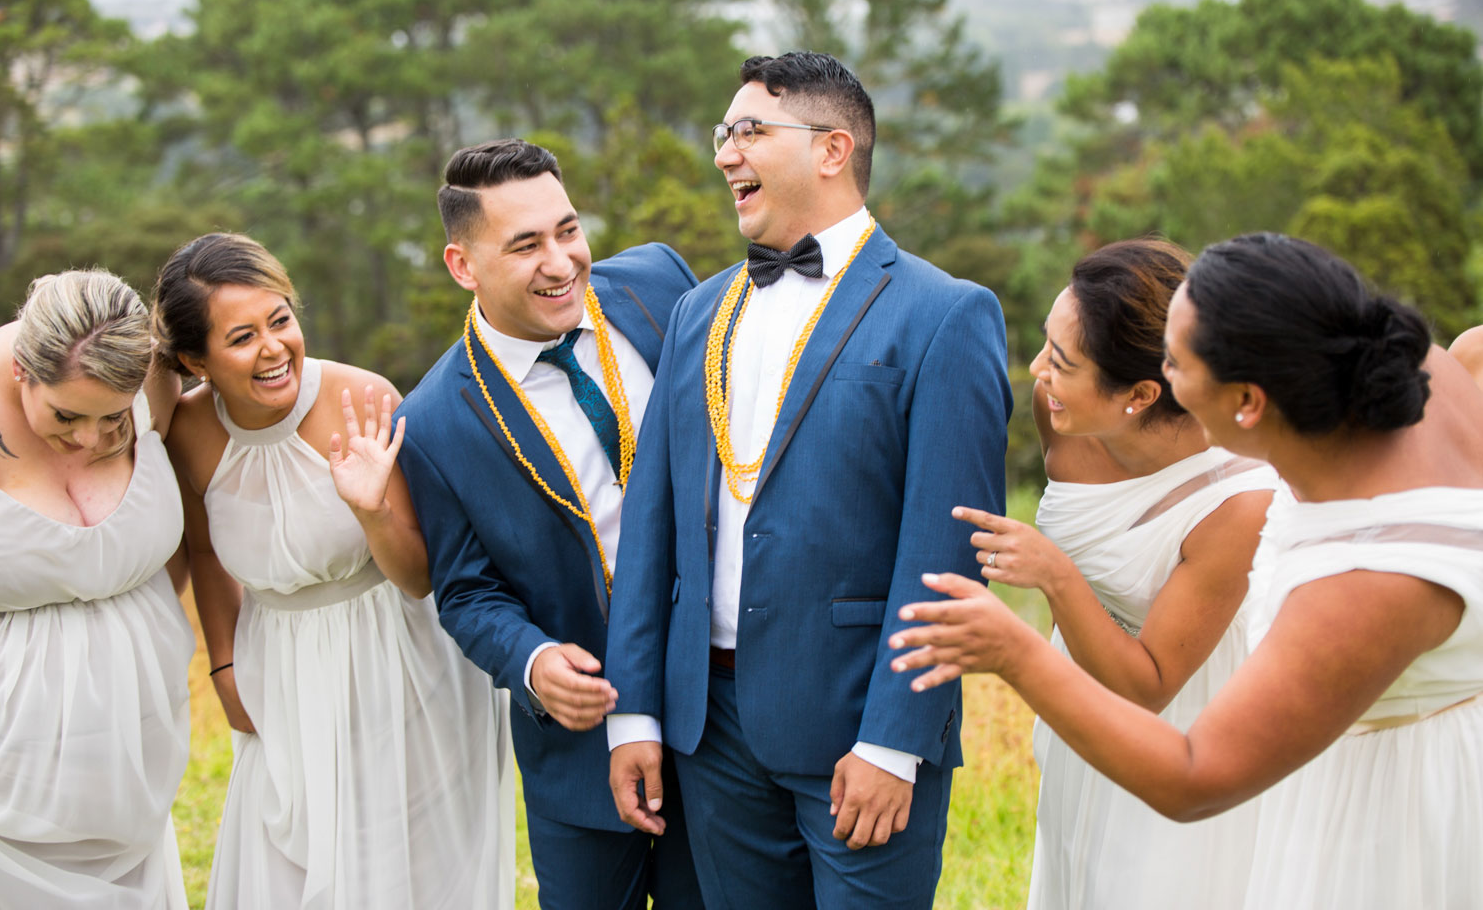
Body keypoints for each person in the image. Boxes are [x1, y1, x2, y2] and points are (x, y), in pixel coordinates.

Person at [891, 232, 1483, 909]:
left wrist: (1017, 653)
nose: (1163, 387)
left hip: (1382, 828)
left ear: (1247, 403)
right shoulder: (1438, 368)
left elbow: (1194, 777)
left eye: (1174, 364)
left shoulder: (1362, 583)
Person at [603, 51, 1012, 909]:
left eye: (750, 131)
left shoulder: (946, 315)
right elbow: (654, 525)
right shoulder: (698, 311)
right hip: (707, 734)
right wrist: (634, 714)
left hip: (856, 728)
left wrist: (894, 744)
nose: (724, 153)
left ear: (832, 150)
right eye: (723, 133)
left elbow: (946, 555)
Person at [154, 233, 513, 909]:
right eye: (242, 337)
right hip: (279, 668)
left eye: (280, 320)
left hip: (399, 663)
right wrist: (226, 668)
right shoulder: (191, 432)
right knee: (290, 871)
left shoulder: (363, 397)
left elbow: (416, 577)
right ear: (194, 360)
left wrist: (372, 508)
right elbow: (205, 552)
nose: (273, 348)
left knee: (401, 874)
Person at [395, 139, 703, 910]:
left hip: (719, 723)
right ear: (463, 266)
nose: (562, 262)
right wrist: (532, 664)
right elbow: (465, 593)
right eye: (526, 245)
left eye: (567, 230)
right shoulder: (433, 420)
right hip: (581, 755)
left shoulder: (661, 284)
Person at [977, 238, 1274, 909]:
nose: (1035, 371)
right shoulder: (1060, 417)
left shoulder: (1239, 500)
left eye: (1059, 361)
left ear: (1139, 393)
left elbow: (1149, 687)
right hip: (1083, 707)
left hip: (1180, 728)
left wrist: (1056, 577)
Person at [0, 269, 194, 908]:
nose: (87, 439)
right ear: (22, 368)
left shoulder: (153, 379)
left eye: (110, 420)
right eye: (67, 414)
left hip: (137, 768)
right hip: (0, 783)